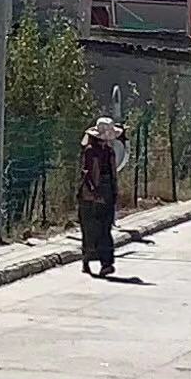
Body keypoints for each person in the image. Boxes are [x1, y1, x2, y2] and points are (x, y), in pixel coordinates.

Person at [78, 116, 122, 276]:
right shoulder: (90, 151)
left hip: (107, 192)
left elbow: (112, 174)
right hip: (91, 196)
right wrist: (94, 193)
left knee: (105, 229)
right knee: (91, 229)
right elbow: (87, 174)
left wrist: (114, 193)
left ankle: (106, 263)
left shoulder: (109, 151)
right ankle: (87, 259)